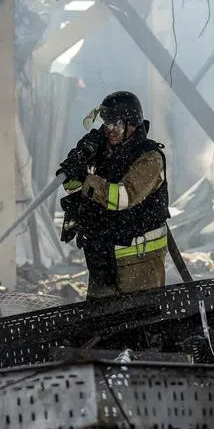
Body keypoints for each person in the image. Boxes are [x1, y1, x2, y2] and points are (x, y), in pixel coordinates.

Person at [57, 91, 170, 300]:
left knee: (137, 323)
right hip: (103, 258)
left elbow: (122, 197)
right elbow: (75, 190)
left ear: (131, 124)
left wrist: (86, 179)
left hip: (139, 261)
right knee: (101, 325)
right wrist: (74, 167)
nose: (109, 130)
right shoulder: (104, 153)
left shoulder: (149, 158)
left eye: (115, 124)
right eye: (106, 124)